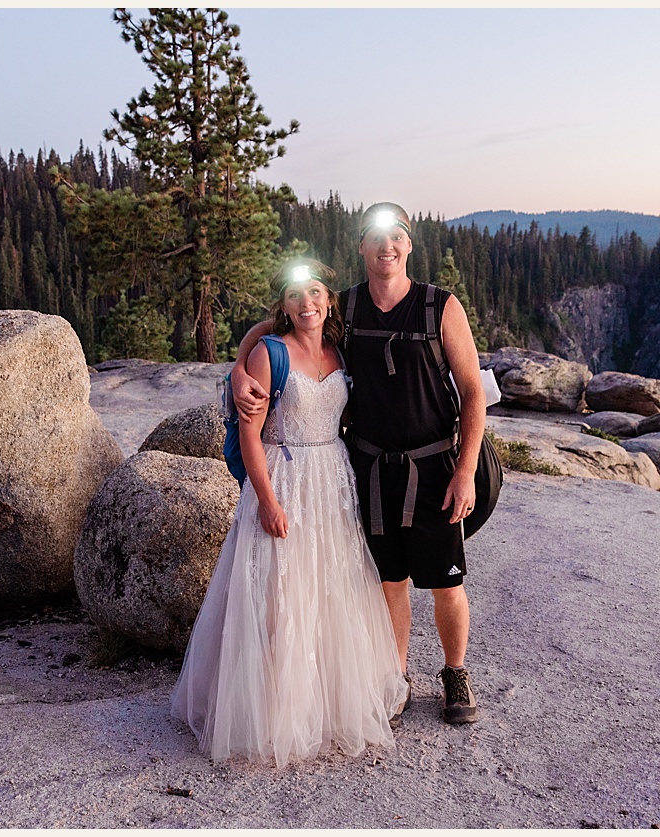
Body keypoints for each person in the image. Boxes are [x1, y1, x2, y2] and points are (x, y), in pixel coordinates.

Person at [235, 203, 491, 725]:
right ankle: (395, 680)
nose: (386, 246)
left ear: (408, 244)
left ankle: (455, 672)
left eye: (395, 236)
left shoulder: (439, 307)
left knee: (447, 580)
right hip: (370, 469)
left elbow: (472, 391)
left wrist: (465, 471)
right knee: (388, 581)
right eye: (375, 238)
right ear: (361, 248)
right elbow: (273, 325)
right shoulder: (344, 308)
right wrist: (239, 372)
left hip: (434, 466)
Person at [171, 267, 407, 765]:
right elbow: (251, 435)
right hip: (285, 477)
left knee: (329, 588)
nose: (307, 303)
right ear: (284, 303)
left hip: (331, 479)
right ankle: (275, 711)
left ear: (328, 301)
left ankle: (323, 705)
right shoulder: (269, 353)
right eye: (296, 295)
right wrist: (268, 500)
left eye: (315, 293)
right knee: (278, 591)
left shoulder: (339, 352)